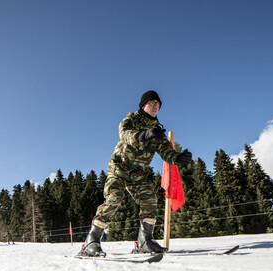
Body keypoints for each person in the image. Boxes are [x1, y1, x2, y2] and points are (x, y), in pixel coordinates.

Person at [79, 90, 192, 257]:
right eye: (152, 103)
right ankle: (92, 241)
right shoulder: (131, 119)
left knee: (150, 200)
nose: (156, 107)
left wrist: (180, 158)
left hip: (137, 173)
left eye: (158, 104)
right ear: (143, 105)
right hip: (119, 167)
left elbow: (167, 154)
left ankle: (145, 241)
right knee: (114, 198)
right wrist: (143, 135)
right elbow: (124, 134)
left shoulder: (157, 131)